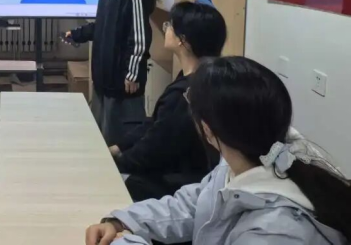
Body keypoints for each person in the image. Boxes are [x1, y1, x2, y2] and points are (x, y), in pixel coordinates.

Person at [86, 57, 351, 245]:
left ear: (208, 128)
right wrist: (123, 222)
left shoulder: (278, 232)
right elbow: (193, 206)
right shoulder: (244, 160)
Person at [110, 0, 224, 201]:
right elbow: (156, 125)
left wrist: (115, 163)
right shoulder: (206, 78)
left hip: (177, 186)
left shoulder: (184, 95)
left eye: (169, 25)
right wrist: (120, 146)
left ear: (182, 40)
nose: (166, 28)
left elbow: (153, 151)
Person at [66, 0, 158, 145]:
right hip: (103, 79)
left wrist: (133, 72)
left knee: (119, 146)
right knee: (100, 141)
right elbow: (106, 23)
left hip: (123, 82)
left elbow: (139, 30)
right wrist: (79, 34)